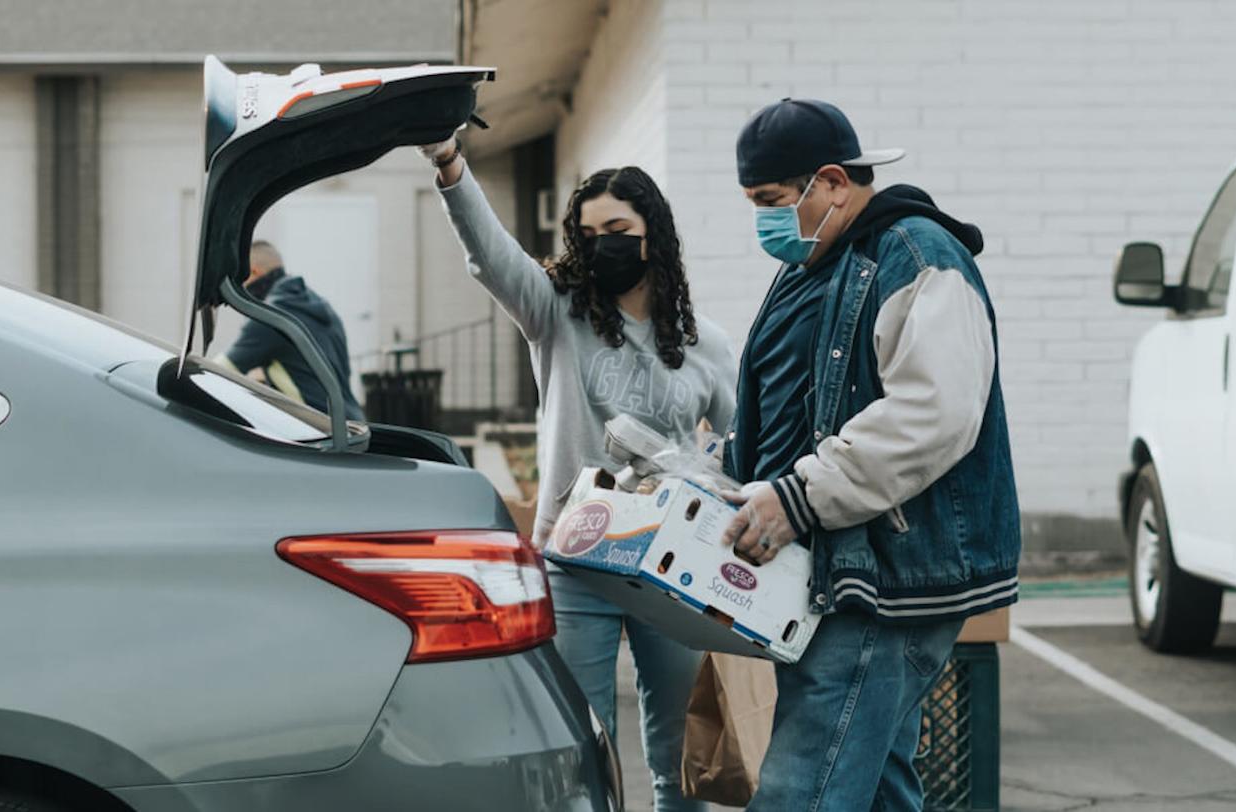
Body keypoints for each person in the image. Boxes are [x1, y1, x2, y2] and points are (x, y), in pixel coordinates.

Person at [719, 99, 1021, 811]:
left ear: (829, 182)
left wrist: (796, 497)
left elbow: (935, 413)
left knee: (804, 790)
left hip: (883, 581)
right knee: (879, 784)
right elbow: (797, 401)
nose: (762, 220)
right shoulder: (819, 264)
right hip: (840, 570)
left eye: (769, 201)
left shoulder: (915, 256)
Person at [419, 134, 736, 812]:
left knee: (679, 747)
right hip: (577, 558)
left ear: (654, 235)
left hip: (671, 566)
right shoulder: (555, 314)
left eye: (617, 230)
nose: (602, 246)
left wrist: (710, 477)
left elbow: (745, 444)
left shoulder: (707, 343)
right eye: (588, 234)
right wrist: (450, 165)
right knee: (579, 747)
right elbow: (489, 256)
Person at [217, 240, 364, 421]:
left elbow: (217, 373)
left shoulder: (270, 318)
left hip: (320, 434)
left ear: (253, 272)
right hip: (352, 424)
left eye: (241, 281)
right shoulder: (320, 306)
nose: (241, 289)